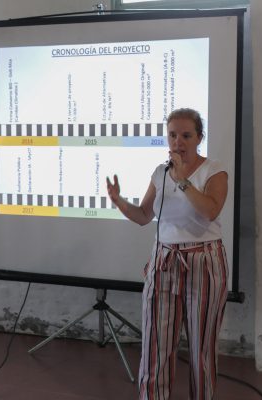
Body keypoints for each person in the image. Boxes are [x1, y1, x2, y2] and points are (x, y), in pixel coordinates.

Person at [106, 108, 229, 400]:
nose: (178, 142)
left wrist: (183, 179)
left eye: (186, 135)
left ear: (199, 138)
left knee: (201, 347)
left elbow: (210, 211)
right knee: (155, 345)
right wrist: (119, 201)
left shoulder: (214, 170)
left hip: (203, 262)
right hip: (164, 261)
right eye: (172, 135)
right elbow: (143, 216)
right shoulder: (160, 173)